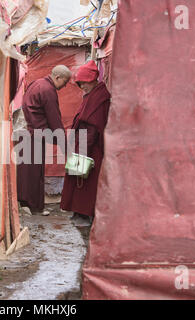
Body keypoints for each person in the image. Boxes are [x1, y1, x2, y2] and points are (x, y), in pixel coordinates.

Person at [60, 60, 111, 226]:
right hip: (82, 144)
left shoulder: (100, 97)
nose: (83, 88)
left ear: (92, 80)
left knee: (86, 183)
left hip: (91, 148)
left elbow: (94, 125)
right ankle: (77, 213)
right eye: (80, 84)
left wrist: (83, 150)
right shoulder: (91, 95)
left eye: (84, 84)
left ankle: (84, 215)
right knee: (77, 179)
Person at [17, 65, 72, 216]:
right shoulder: (48, 90)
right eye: (65, 82)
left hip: (26, 131)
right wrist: (64, 145)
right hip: (35, 135)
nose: (65, 85)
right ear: (58, 77)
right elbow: (54, 119)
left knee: (26, 171)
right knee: (34, 173)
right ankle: (33, 206)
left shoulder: (37, 83)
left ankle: (24, 203)